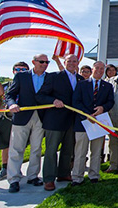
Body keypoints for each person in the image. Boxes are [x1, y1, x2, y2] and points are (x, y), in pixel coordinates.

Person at [36, 54, 84, 191]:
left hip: (72, 120)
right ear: (65, 62)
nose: (72, 63)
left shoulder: (81, 79)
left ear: (78, 63)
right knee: (51, 150)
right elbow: (40, 96)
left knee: (68, 149)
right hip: (54, 120)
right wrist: (53, 101)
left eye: (75, 61)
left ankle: (63, 174)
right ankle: (49, 179)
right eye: (69, 61)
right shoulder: (53, 76)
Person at [5, 54, 48, 193]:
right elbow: (10, 95)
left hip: (40, 117)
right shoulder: (21, 77)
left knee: (36, 148)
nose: (44, 64)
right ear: (34, 62)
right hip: (22, 116)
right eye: (41, 61)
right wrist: (12, 104)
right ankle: (14, 179)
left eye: (47, 62)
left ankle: (33, 176)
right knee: (17, 148)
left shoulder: (49, 77)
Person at [71, 61, 114, 186]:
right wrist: (86, 114)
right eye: (97, 68)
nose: (100, 71)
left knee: (96, 151)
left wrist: (103, 108)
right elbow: (76, 101)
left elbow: (111, 102)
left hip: (98, 123)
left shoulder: (108, 86)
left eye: (102, 69)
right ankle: (77, 177)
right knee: (80, 151)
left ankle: (94, 175)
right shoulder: (82, 84)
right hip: (83, 122)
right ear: (92, 69)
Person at [0, 61, 29, 182]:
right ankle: (4, 168)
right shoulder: (5, 85)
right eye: (17, 70)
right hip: (6, 117)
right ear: (13, 71)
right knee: (5, 144)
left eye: (23, 70)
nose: (20, 72)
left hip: (22, 117)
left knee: (20, 145)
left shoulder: (29, 84)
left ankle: (16, 169)